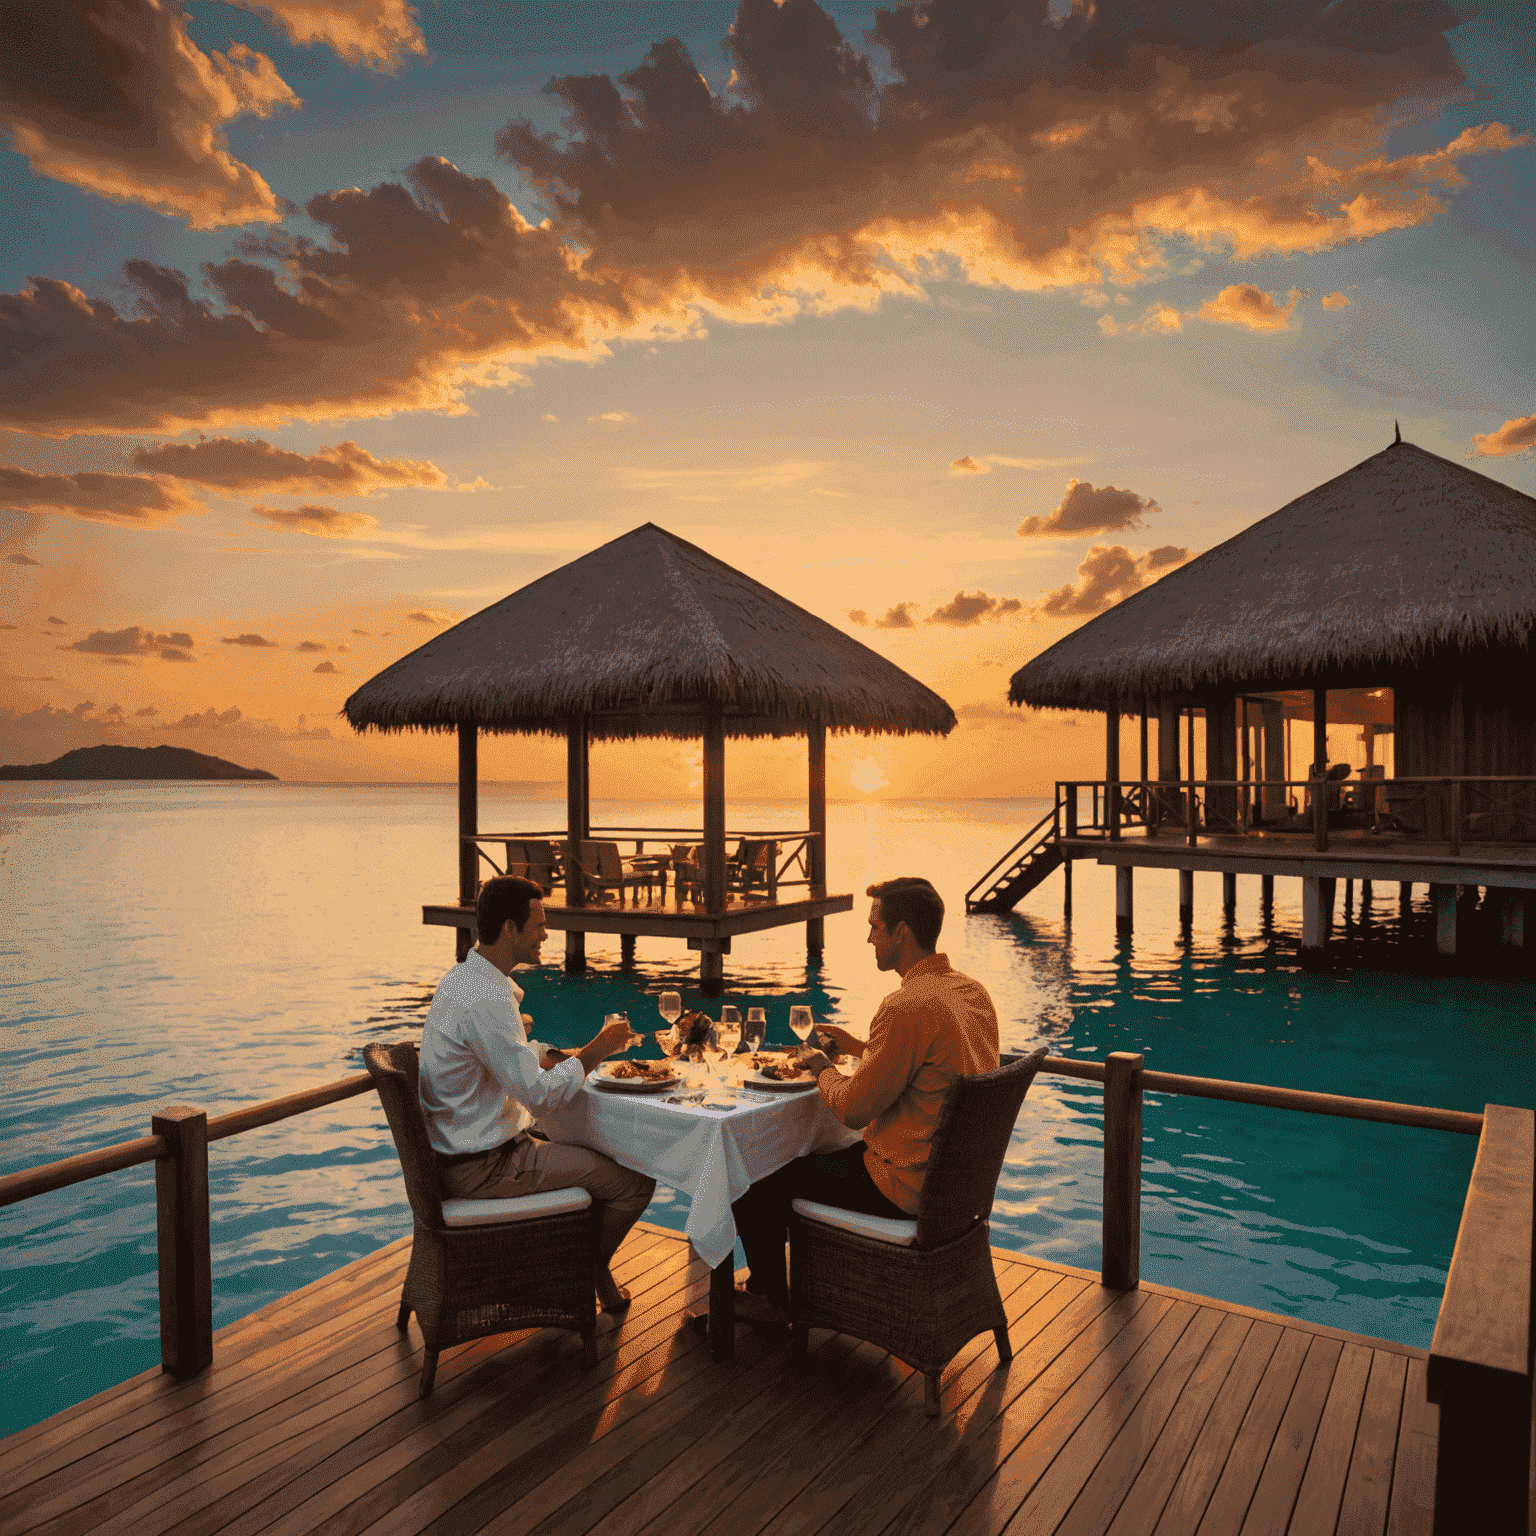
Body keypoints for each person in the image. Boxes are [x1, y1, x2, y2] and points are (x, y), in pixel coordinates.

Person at [729, 876, 1000, 1324]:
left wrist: (821, 1067)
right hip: (954, 1187)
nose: (868, 937)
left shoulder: (905, 1006)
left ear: (902, 933)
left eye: (875, 926)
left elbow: (854, 1109)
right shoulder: (970, 992)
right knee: (816, 1154)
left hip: (903, 1187)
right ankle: (810, 1283)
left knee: (754, 1173)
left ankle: (769, 1300)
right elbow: (931, 1067)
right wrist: (858, 1048)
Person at [418, 874, 655, 1314]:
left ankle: (572, 1264)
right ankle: (586, 1271)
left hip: (463, 1151)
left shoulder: (464, 980)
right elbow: (539, 1097)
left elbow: (505, 1057)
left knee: (595, 1145)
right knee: (636, 1181)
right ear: (511, 929)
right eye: (539, 925)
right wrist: (598, 1048)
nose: (547, 935)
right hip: (485, 1166)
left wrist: (552, 1054)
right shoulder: (486, 996)